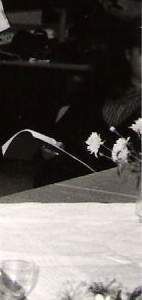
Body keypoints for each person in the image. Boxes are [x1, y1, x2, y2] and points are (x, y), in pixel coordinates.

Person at [34, 26, 141, 186]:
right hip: (82, 174)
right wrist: (52, 148)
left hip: (126, 182)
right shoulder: (98, 92)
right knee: (50, 172)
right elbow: (61, 134)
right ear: (128, 54)